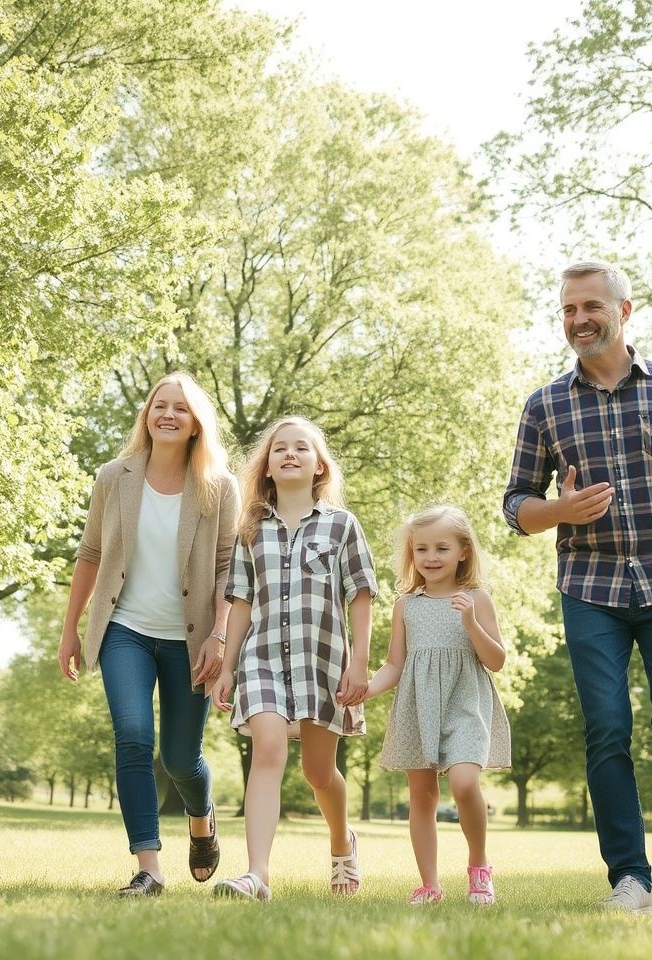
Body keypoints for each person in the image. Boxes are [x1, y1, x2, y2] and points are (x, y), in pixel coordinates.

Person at [503, 260, 652, 915]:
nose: (578, 320)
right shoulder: (545, 405)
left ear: (623, 310)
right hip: (589, 587)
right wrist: (562, 510)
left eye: (590, 306)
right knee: (607, 729)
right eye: (566, 310)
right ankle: (630, 879)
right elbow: (516, 506)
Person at [58, 372, 239, 898]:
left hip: (192, 640)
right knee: (134, 739)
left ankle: (201, 820)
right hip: (125, 631)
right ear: (146, 415)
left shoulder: (219, 486)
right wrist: (71, 629)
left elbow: (229, 566)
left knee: (182, 758)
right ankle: (149, 869)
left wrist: (221, 636)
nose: (168, 414)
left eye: (180, 409)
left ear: (195, 423)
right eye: (159, 405)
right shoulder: (115, 477)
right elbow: (90, 553)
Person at [209, 416, 377, 901]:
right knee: (268, 748)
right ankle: (257, 874)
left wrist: (360, 662)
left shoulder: (342, 526)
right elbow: (240, 600)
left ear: (319, 464)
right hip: (261, 659)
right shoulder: (250, 530)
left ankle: (342, 842)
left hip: (323, 663)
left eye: (301, 448)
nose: (289, 454)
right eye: (279, 448)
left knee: (319, 773)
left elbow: (361, 595)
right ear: (266, 467)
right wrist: (228, 665)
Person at [366, 504, 510, 906]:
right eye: (421, 549)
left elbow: (496, 661)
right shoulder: (405, 605)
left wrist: (471, 624)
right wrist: (365, 688)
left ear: (463, 551)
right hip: (418, 704)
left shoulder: (477, 599)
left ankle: (479, 866)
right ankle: (429, 885)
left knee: (465, 783)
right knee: (423, 795)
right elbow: (394, 664)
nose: (431, 557)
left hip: (466, 703)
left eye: (442, 548)